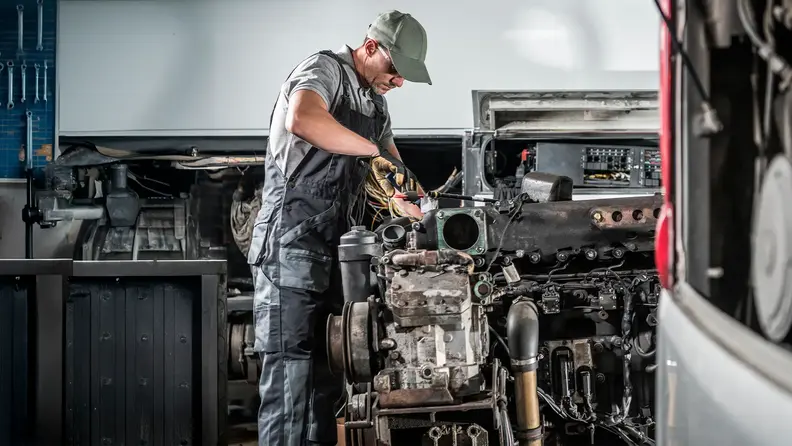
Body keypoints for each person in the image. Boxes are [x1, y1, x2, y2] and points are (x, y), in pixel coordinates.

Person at [247, 10, 432, 446]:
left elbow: (394, 171)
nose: (398, 81)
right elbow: (303, 119)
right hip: (290, 248)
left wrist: (422, 207)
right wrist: (371, 152)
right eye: (395, 69)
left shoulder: (375, 103)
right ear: (370, 48)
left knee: (331, 374)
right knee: (291, 378)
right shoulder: (323, 70)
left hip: (337, 254)